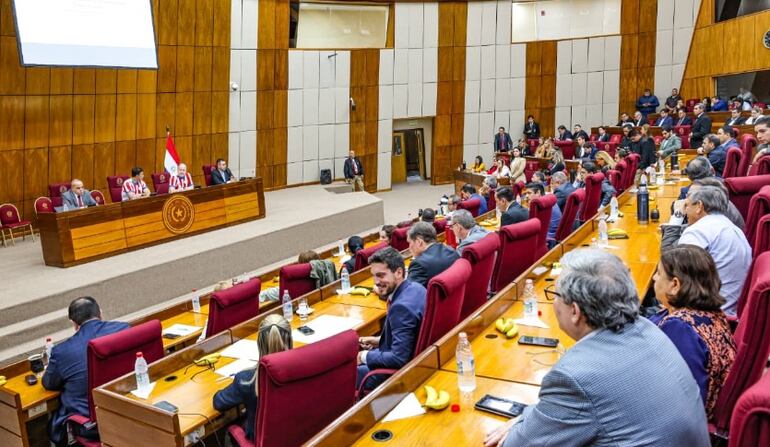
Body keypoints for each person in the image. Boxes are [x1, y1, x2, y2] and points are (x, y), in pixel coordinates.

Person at [485, 249, 710, 447]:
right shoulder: (648, 328)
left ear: (575, 312)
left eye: (556, 294)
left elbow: (519, 443)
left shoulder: (575, 378)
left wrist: (523, 418)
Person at [649, 245, 736, 419]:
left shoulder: (679, 328)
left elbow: (685, 398)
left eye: (658, 273)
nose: (654, 278)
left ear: (675, 285)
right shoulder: (710, 311)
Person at [43, 297, 130, 446]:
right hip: (130, 411)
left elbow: (49, 383)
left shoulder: (62, 352)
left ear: (73, 323)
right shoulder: (124, 329)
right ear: (100, 313)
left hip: (93, 427)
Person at [661, 186, 751, 316]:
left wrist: (677, 215)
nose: (685, 211)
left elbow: (669, 263)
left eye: (686, 205)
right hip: (730, 310)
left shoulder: (698, 231)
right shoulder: (730, 227)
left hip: (709, 314)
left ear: (699, 206)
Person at [213, 315, 292, 441]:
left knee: (229, 433)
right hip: (299, 437)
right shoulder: (303, 369)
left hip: (262, 441)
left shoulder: (246, 379)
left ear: (259, 344)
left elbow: (218, 402)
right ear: (290, 340)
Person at [357, 247, 426, 390]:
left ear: (399, 272)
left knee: (340, 375)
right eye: (374, 276)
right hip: (413, 359)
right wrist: (378, 341)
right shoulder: (417, 288)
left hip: (392, 376)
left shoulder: (401, 308)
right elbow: (408, 337)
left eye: (381, 275)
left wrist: (363, 356)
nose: (376, 282)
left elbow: (398, 358)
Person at [406, 222, 459, 287]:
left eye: (409, 242)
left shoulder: (418, 264)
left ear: (419, 242)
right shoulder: (451, 251)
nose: (409, 247)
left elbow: (409, 291)